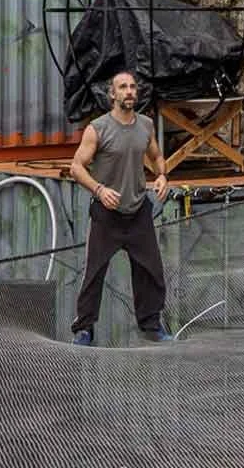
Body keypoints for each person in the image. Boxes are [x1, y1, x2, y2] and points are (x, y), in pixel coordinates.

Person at [68, 70, 171, 345]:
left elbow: (157, 156)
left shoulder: (146, 125)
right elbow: (76, 167)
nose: (129, 91)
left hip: (138, 211)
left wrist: (161, 175)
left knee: (151, 270)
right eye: (122, 87)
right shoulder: (97, 128)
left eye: (133, 87)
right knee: (94, 272)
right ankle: (84, 328)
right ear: (112, 94)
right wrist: (99, 190)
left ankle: (151, 325)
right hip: (107, 214)